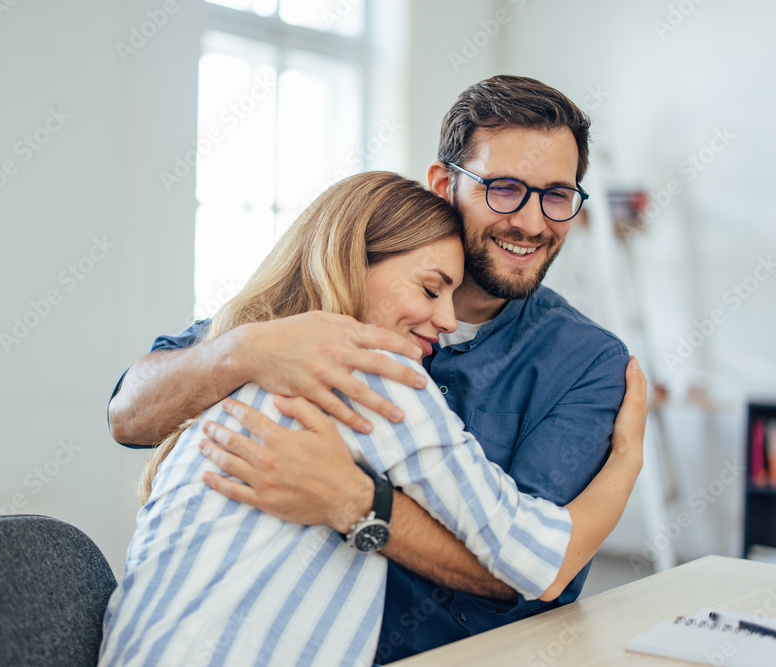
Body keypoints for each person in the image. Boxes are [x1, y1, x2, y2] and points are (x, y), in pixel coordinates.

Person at [108, 75, 632, 662]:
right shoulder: (312, 343)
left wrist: (358, 505)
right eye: (505, 188)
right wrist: (243, 351)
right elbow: (128, 415)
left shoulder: (587, 362)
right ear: (443, 185)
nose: (533, 223)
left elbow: (521, 588)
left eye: (557, 195)